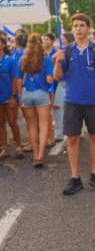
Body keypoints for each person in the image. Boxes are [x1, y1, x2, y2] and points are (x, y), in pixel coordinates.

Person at [53, 13, 95, 195]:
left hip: (93, 101)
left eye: (82, 25)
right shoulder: (67, 51)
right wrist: (57, 62)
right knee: (72, 139)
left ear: (88, 28)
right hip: (72, 101)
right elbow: (57, 77)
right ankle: (75, 177)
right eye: (75, 25)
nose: (78, 28)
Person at [16, 34, 54, 167]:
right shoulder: (47, 60)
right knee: (44, 125)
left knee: (31, 125)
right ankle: (41, 154)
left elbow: (19, 80)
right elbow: (49, 80)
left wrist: (20, 96)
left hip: (26, 94)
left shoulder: (23, 59)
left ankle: (34, 152)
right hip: (41, 94)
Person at [0, 37, 23, 160]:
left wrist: (14, 96)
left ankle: (19, 147)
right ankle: (5, 148)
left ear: (3, 45)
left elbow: (15, 78)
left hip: (9, 96)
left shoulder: (10, 60)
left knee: (12, 122)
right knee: (0, 123)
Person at [52, 32, 75, 142]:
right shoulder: (60, 51)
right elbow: (53, 61)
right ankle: (59, 133)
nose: (60, 41)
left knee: (73, 110)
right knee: (57, 108)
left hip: (71, 84)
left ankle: (77, 132)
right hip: (61, 84)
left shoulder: (73, 50)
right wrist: (56, 59)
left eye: (63, 39)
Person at [42, 32, 58, 148]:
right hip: (43, 86)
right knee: (45, 113)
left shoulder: (56, 52)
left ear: (52, 41)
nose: (45, 41)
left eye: (47, 39)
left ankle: (51, 136)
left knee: (52, 112)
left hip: (55, 84)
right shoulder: (41, 53)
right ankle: (46, 136)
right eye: (44, 39)